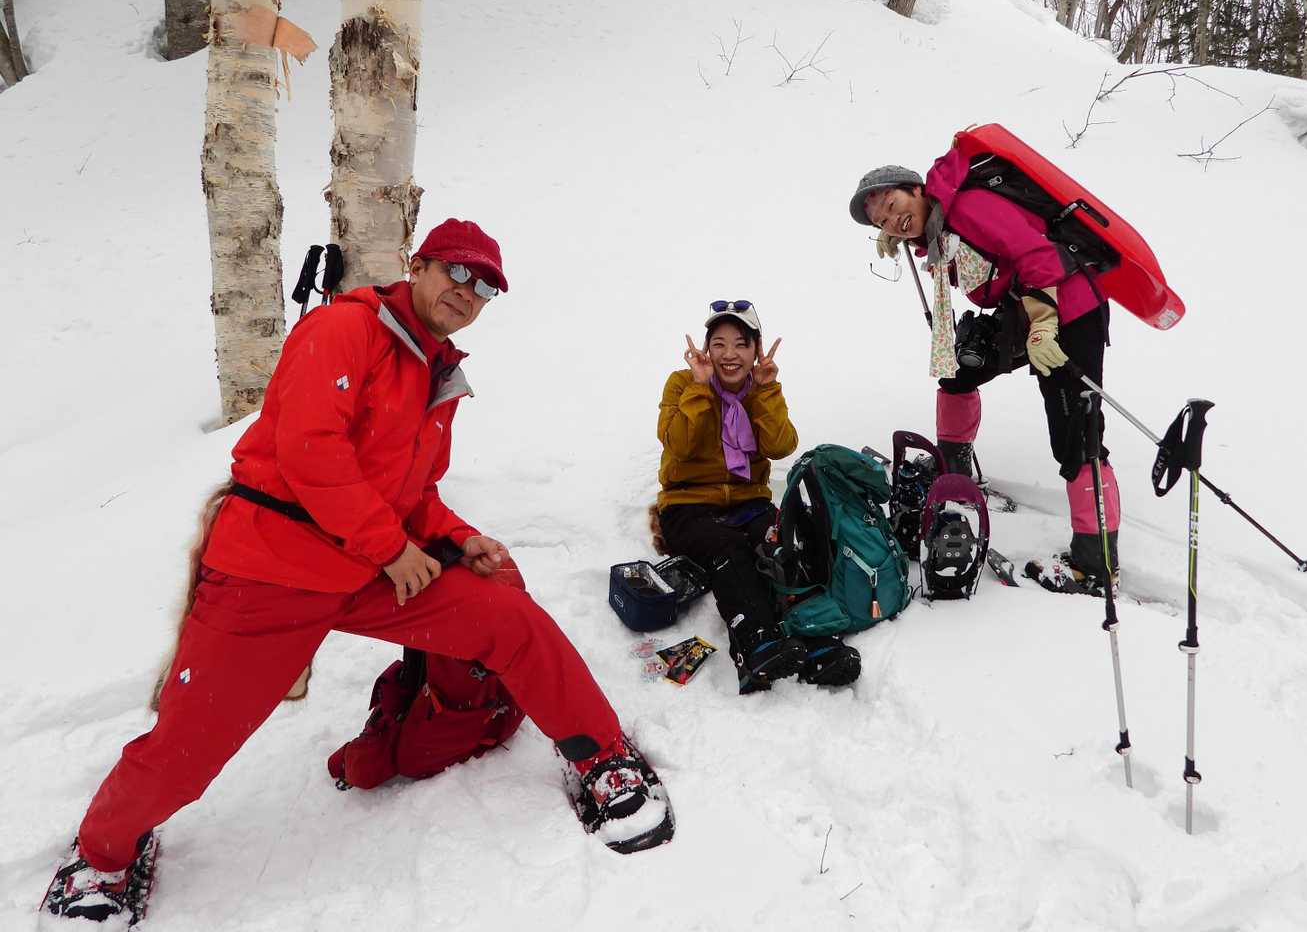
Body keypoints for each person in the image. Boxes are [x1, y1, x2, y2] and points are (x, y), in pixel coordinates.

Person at [42, 218, 672, 925]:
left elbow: (414, 495)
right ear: (417, 266)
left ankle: (602, 757)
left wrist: (458, 538)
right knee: (189, 746)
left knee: (510, 619)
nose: (468, 291)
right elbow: (311, 451)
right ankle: (102, 856)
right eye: (457, 272)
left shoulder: (436, 369)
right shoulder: (347, 330)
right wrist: (393, 550)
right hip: (272, 569)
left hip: (372, 567)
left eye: (485, 286)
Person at [849, 157, 1121, 592]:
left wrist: (1044, 325)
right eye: (881, 221)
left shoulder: (969, 206)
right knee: (957, 374)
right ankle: (955, 476)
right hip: (1021, 311)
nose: (891, 221)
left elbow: (1035, 253)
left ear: (917, 189)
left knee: (1077, 435)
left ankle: (1095, 567)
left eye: (893, 205)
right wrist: (905, 232)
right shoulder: (938, 226)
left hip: (1069, 310)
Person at [656, 301, 861, 692]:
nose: (729, 354)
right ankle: (756, 644)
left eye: (740, 344)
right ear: (706, 348)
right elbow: (679, 446)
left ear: (755, 349)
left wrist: (766, 391)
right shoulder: (682, 383)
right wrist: (700, 387)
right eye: (719, 343)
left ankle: (819, 641)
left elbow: (781, 446)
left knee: (782, 546)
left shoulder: (760, 386)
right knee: (730, 550)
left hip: (748, 501)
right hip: (688, 505)